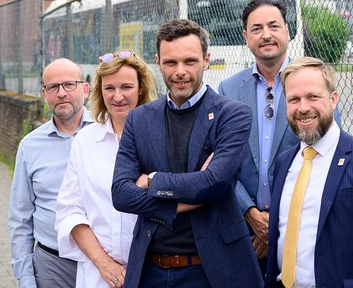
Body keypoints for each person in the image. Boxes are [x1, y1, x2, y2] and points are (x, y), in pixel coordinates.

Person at [112, 19, 263, 288]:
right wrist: (181, 201)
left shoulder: (233, 115)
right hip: (150, 270)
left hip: (212, 271)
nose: (180, 72)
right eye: (171, 62)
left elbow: (213, 184)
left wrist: (152, 180)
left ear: (206, 60)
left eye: (190, 61)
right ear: (158, 63)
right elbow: (121, 194)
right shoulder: (140, 119)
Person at [218, 0, 341, 277]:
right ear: (246, 37)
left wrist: (276, 223)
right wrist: (251, 213)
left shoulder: (311, 83)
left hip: (301, 229)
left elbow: (327, 155)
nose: (266, 35)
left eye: (273, 26)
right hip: (244, 232)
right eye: (257, 28)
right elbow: (221, 161)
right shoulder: (228, 90)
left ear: (287, 31)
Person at [265, 57, 353, 288]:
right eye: (294, 99)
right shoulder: (283, 163)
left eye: (313, 97)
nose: (303, 108)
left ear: (333, 99)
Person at [55, 51, 158, 288]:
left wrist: (149, 182)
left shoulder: (161, 137)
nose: (117, 96)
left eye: (126, 87)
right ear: (99, 91)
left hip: (152, 270)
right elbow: (69, 211)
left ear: (140, 88)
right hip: (99, 276)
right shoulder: (85, 141)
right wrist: (104, 264)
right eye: (109, 88)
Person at [9, 58, 93, 288]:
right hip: (51, 266)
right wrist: (26, 278)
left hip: (102, 264)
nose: (61, 93)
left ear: (85, 89)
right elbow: (20, 217)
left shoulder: (106, 133)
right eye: (53, 87)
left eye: (69, 84)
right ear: (44, 94)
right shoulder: (30, 146)